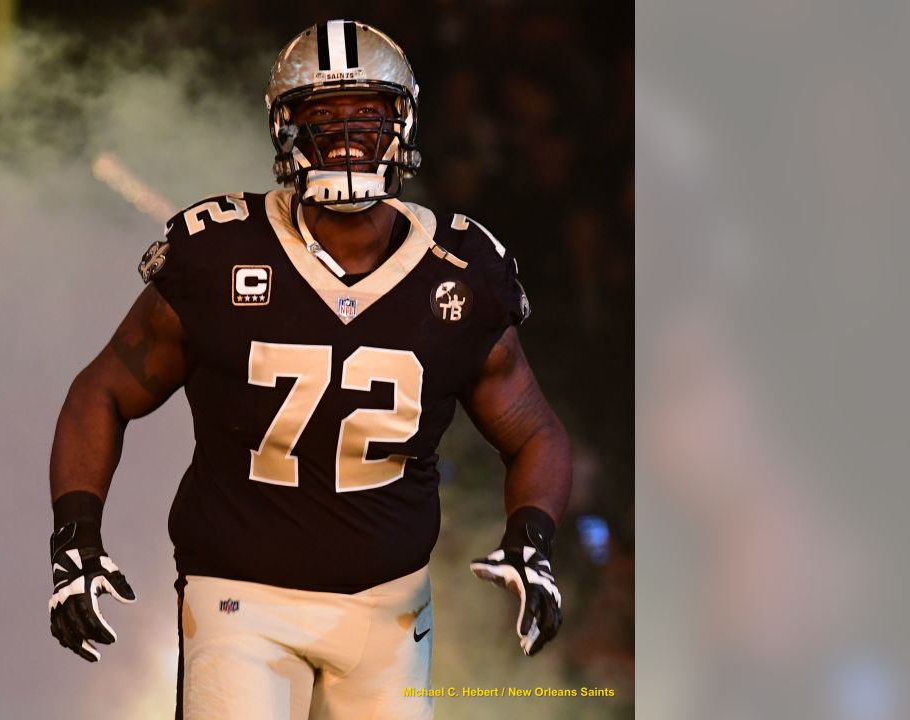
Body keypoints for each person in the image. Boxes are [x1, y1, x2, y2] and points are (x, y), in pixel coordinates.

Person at [47, 20, 572, 719]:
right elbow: (101, 392)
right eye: (323, 115)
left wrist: (531, 541)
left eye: (368, 112)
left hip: (391, 609)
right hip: (241, 602)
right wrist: (74, 537)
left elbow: (535, 431)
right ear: (285, 129)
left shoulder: (463, 272)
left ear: (404, 123)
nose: (348, 132)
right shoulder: (218, 256)